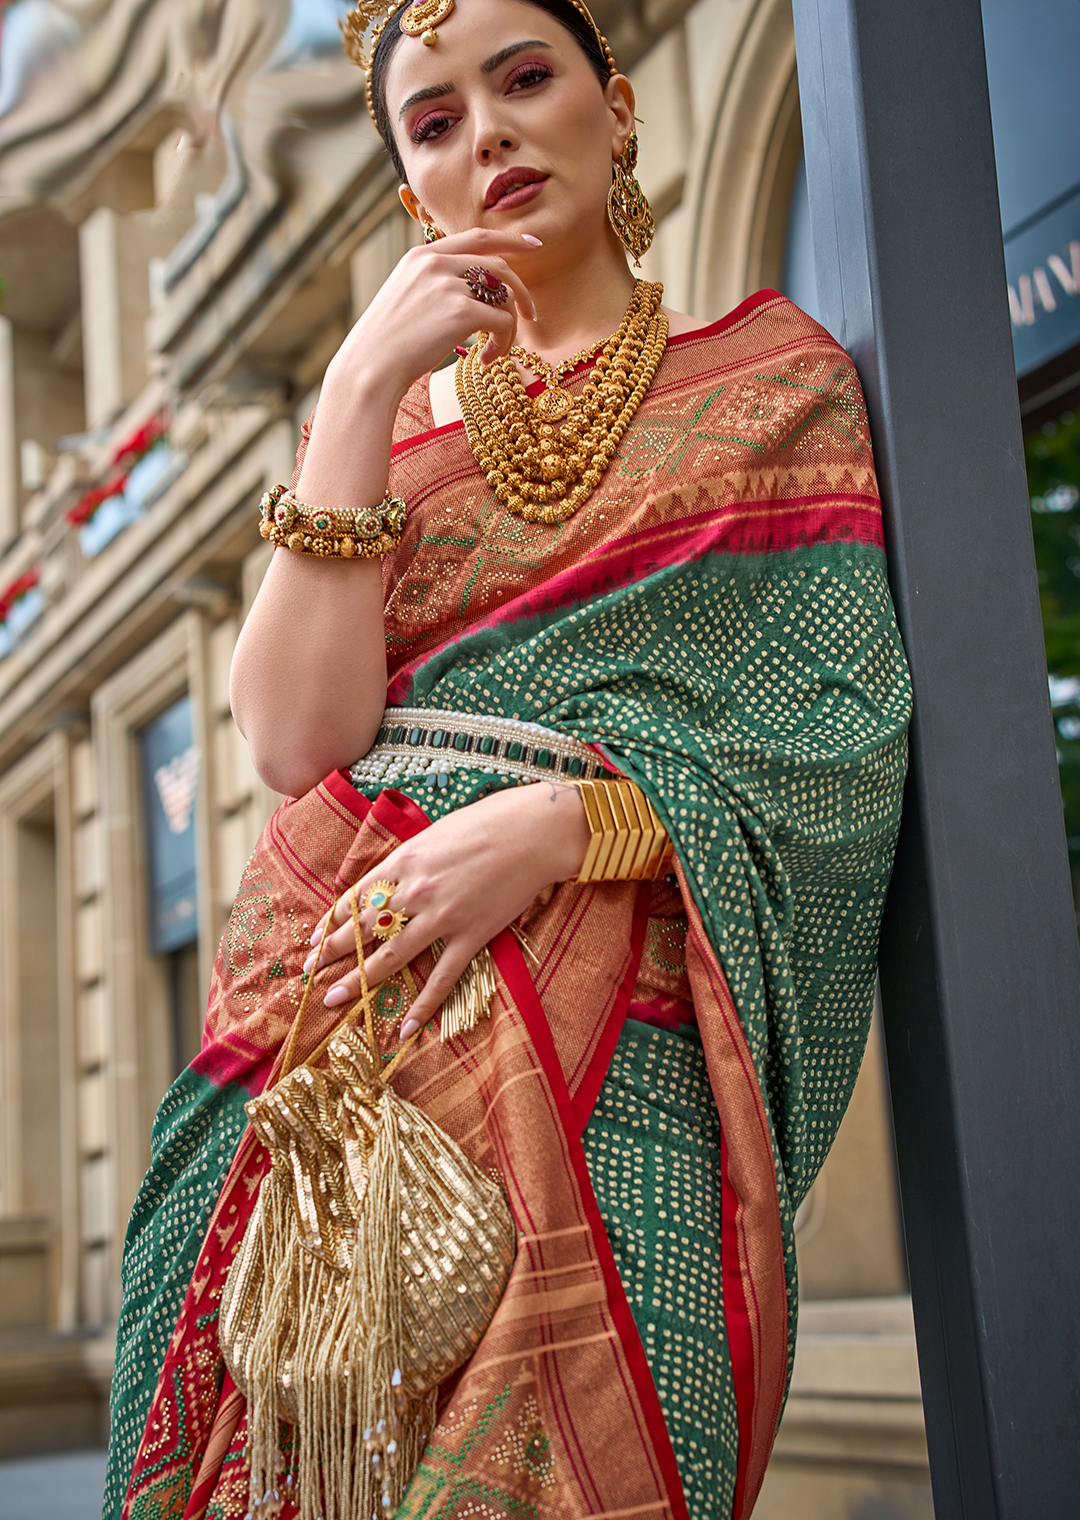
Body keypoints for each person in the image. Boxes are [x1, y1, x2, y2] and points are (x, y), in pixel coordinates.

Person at [103, 2, 912, 1518]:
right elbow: (290, 740)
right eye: (434, 121)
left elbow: (831, 742)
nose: (485, 131)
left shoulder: (772, 376)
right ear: (417, 190)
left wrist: (569, 827)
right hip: (335, 1032)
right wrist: (350, 393)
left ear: (615, 111)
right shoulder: (389, 423)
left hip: (629, 1045)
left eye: (524, 80)